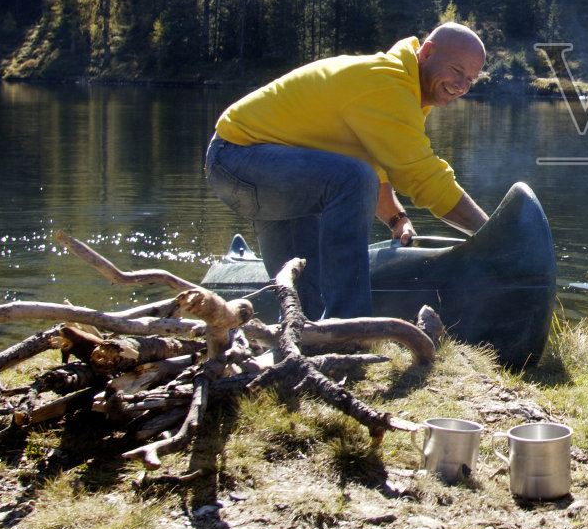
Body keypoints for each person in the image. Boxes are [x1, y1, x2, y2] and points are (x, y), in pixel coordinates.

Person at [204, 22, 489, 320]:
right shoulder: (387, 82)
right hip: (239, 160)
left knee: (304, 312)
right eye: (457, 71)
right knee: (352, 178)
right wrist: (491, 232)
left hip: (273, 175)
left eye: (470, 79)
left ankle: (311, 344)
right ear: (427, 53)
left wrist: (396, 218)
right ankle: (351, 325)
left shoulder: (401, 89)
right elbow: (423, 179)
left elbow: (373, 167)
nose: (462, 86)